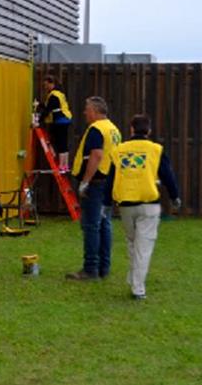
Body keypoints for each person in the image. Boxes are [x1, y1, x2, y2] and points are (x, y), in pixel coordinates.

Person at [104, 114, 181, 300]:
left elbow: (110, 178)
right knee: (143, 246)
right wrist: (175, 196)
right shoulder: (155, 150)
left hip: (126, 205)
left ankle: (133, 278)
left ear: (131, 129)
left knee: (132, 242)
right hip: (148, 205)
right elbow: (168, 175)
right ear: (149, 131)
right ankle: (138, 289)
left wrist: (106, 203)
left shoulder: (119, 150)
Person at [66, 96, 121, 281]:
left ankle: (90, 269)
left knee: (91, 226)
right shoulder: (113, 129)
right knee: (105, 224)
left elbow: (96, 155)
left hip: (96, 182)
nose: (84, 112)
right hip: (108, 181)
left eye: (87, 109)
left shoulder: (97, 129)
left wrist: (85, 182)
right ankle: (103, 267)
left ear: (96, 111)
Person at [35, 75, 73, 172]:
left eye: (47, 85)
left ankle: (61, 165)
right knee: (63, 143)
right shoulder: (59, 94)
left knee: (60, 143)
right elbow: (49, 106)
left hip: (60, 121)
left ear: (52, 83)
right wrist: (39, 104)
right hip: (65, 119)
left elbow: (48, 109)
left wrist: (38, 121)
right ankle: (65, 165)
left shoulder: (54, 95)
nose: (45, 87)